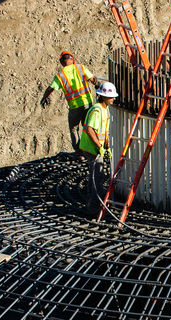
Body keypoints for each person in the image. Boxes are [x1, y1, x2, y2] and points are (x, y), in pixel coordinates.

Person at [40, 51, 99, 152]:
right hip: (87, 103)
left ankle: (79, 152)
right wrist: (98, 86)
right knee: (88, 127)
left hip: (74, 106)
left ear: (62, 63)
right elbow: (93, 80)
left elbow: (51, 88)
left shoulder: (60, 75)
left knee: (74, 128)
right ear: (72, 60)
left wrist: (44, 97)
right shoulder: (80, 68)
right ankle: (92, 149)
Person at [79, 82, 118, 215]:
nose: (114, 98)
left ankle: (91, 203)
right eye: (111, 96)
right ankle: (94, 208)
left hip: (96, 148)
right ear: (103, 97)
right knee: (98, 177)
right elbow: (89, 129)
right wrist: (100, 147)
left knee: (94, 177)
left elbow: (104, 131)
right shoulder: (96, 110)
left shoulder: (104, 109)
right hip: (91, 148)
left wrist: (106, 147)